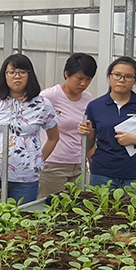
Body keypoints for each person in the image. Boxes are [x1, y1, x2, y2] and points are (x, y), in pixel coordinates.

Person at [0, 54, 59, 204]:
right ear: (4, 75)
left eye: (22, 72)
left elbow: (53, 137)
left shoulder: (42, 104)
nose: (17, 77)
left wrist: (37, 160)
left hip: (26, 180)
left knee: (22, 222)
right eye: (12, 72)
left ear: (30, 75)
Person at [78, 56, 136, 190]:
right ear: (109, 76)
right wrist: (87, 134)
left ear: (135, 80)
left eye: (128, 76)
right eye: (117, 75)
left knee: (134, 211)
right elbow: (88, 146)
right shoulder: (95, 106)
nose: (121, 80)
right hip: (102, 174)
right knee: (101, 210)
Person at [38, 53, 97, 199]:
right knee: (49, 210)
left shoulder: (88, 99)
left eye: (88, 79)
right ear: (66, 74)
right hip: (52, 164)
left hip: (78, 164)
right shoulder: (50, 96)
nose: (83, 83)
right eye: (79, 78)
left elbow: (90, 135)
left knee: (74, 210)